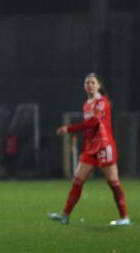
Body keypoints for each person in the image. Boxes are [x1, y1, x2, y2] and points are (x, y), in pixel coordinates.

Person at [49, 72, 130, 226]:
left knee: (113, 183)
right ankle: (65, 216)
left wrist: (69, 128)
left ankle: (124, 217)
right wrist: (85, 147)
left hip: (104, 145)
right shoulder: (86, 104)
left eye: (93, 82)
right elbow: (89, 129)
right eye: (87, 83)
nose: (90, 85)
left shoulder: (103, 102)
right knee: (77, 180)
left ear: (99, 85)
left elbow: (93, 122)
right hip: (90, 148)